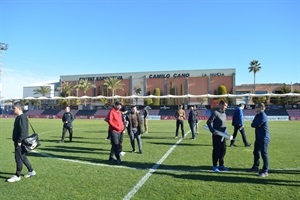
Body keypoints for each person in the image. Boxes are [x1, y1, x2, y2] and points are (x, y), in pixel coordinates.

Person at [7, 102, 36, 183]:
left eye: (14, 108)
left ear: (18, 108)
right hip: (18, 141)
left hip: (20, 142)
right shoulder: (19, 117)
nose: (13, 109)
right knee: (23, 157)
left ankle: (17, 175)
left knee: (18, 158)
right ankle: (31, 171)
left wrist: (19, 141)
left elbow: (23, 131)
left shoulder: (22, 118)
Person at [248, 102, 270, 177]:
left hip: (264, 138)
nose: (255, 108)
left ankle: (265, 170)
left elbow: (255, 124)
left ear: (261, 107)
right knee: (256, 152)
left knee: (264, 154)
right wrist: (254, 124)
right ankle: (255, 167)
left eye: (256, 107)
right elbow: (253, 124)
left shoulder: (263, 116)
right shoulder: (257, 115)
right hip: (258, 138)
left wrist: (254, 124)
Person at [206, 100, 229, 173]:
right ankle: (215, 165)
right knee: (216, 150)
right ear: (221, 105)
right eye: (225, 105)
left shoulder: (224, 113)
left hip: (223, 136)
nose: (226, 107)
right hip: (216, 136)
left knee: (223, 150)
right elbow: (208, 122)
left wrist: (226, 135)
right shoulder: (215, 113)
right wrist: (213, 131)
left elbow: (224, 125)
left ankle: (221, 165)